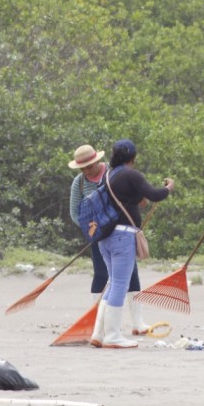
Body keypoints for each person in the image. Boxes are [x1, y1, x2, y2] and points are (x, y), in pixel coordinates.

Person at [90, 139, 174, 349]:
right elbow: (154, 195)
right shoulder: (131, 174)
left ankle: (99, 334)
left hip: (105, 238)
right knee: (120, 284)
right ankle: (113, 336)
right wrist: (169, 188)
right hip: (122, 236)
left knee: (112, 283)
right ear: (133, 158)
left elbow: (133, 198)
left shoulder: (108, 176)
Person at [68, 144, 150, 336]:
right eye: (83, 168)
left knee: (131, 274)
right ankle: (98, 324)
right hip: (99, 235)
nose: (87, 170)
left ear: (98, 160)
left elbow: (140, 200)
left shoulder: (114, 174)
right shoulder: (78, 184)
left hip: (123, 232)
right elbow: (75, 213)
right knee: (101, 275)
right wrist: (94, 228)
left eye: (90, 165)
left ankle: (138, 323)